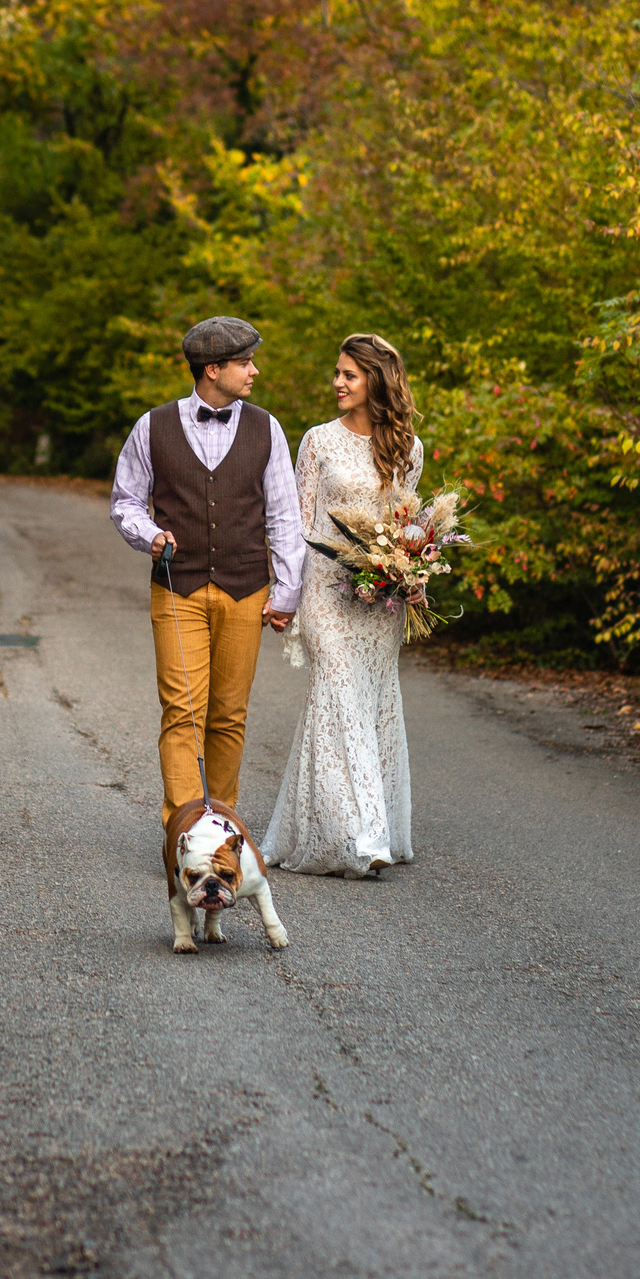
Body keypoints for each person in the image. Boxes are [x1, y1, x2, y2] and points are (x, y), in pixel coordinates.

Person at [109, 317, 308, 825]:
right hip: (177, 588)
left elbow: (284, 514)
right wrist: (149, 534)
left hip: (246, 589)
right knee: (182, 712)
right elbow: (126, 501)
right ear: (212, 369)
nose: (255, 371)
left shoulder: (268, 427)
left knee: (228, 717)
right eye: (245, 363)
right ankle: (182, 827)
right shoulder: (152, 426)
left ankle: (221, 823)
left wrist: (287, 590)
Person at [263, 333, 422, 877]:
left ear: (376, 381)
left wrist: (413, 574)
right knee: (338, 700)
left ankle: (338, 827)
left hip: (379, 603)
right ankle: (362, 837)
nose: (337, 382)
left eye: (349, 375)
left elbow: (407, 527)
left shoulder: (408, 448)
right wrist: (288, 596)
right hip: (326, 596)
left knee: (373, 703)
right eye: (337, 373)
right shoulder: (317, 442)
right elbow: (298, 524)